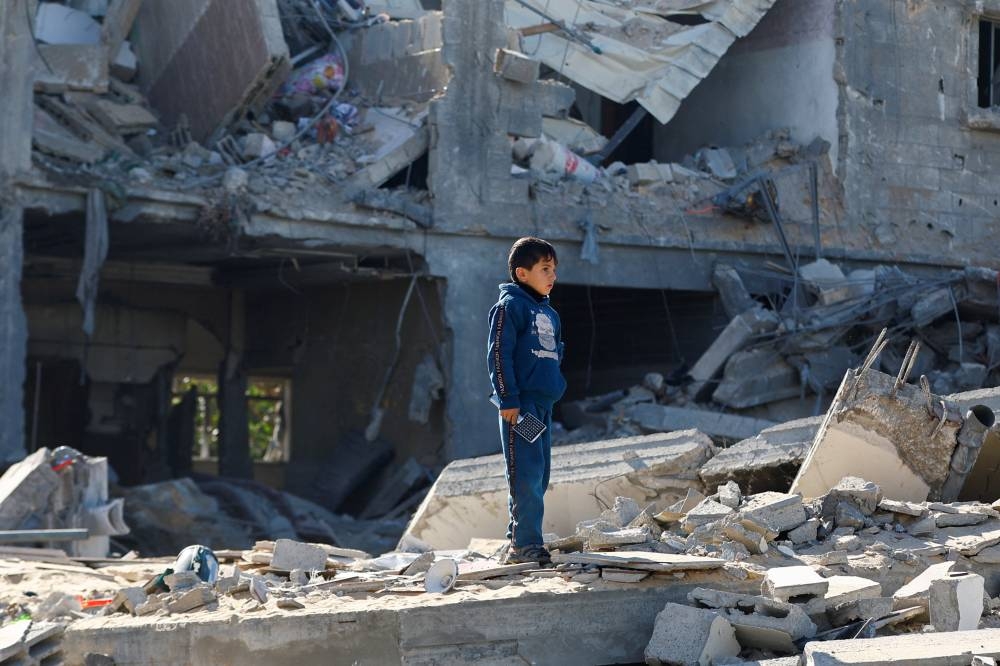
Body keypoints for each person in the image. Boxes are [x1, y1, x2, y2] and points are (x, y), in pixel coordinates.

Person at [487, 237, 567, 565]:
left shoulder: (548, 312)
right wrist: (508, 398)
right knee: (526, 473)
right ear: (522, 273)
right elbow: (498, 354)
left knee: (541, 474)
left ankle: (518, 539)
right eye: (545, 269)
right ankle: (525, 545)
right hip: (519, 408)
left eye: (554, 269)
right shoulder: (510, 307)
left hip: (543, 405)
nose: (552, 276)